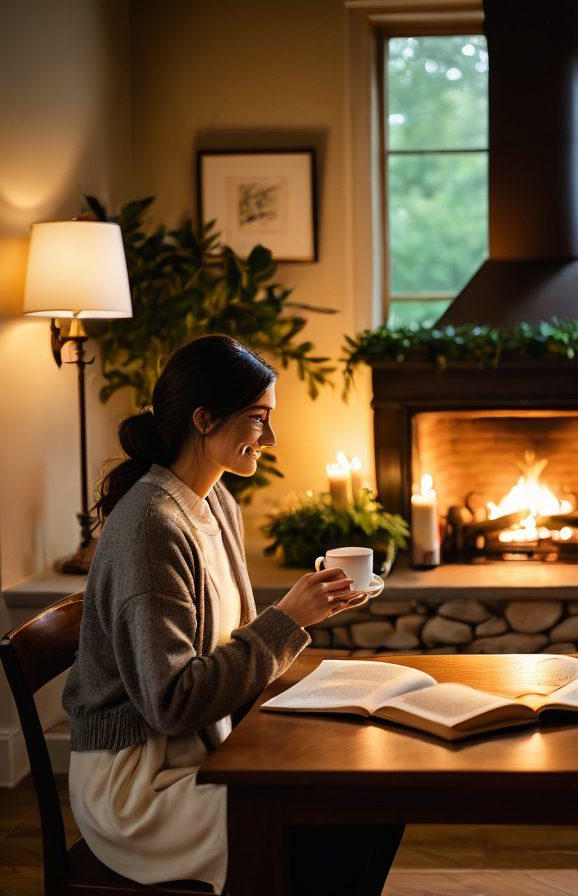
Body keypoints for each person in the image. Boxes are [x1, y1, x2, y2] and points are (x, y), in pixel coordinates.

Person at [62, 335, 403, 895]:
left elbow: (232, 643)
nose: (269, 438)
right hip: (140, 787)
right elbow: (171, 703)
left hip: (204, 745)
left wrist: (300, 621)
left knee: (373, 791)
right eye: (258, 418)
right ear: (203, 418)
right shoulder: (152, 527)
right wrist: (289, 619)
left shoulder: (215, 501)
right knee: (347, 820)